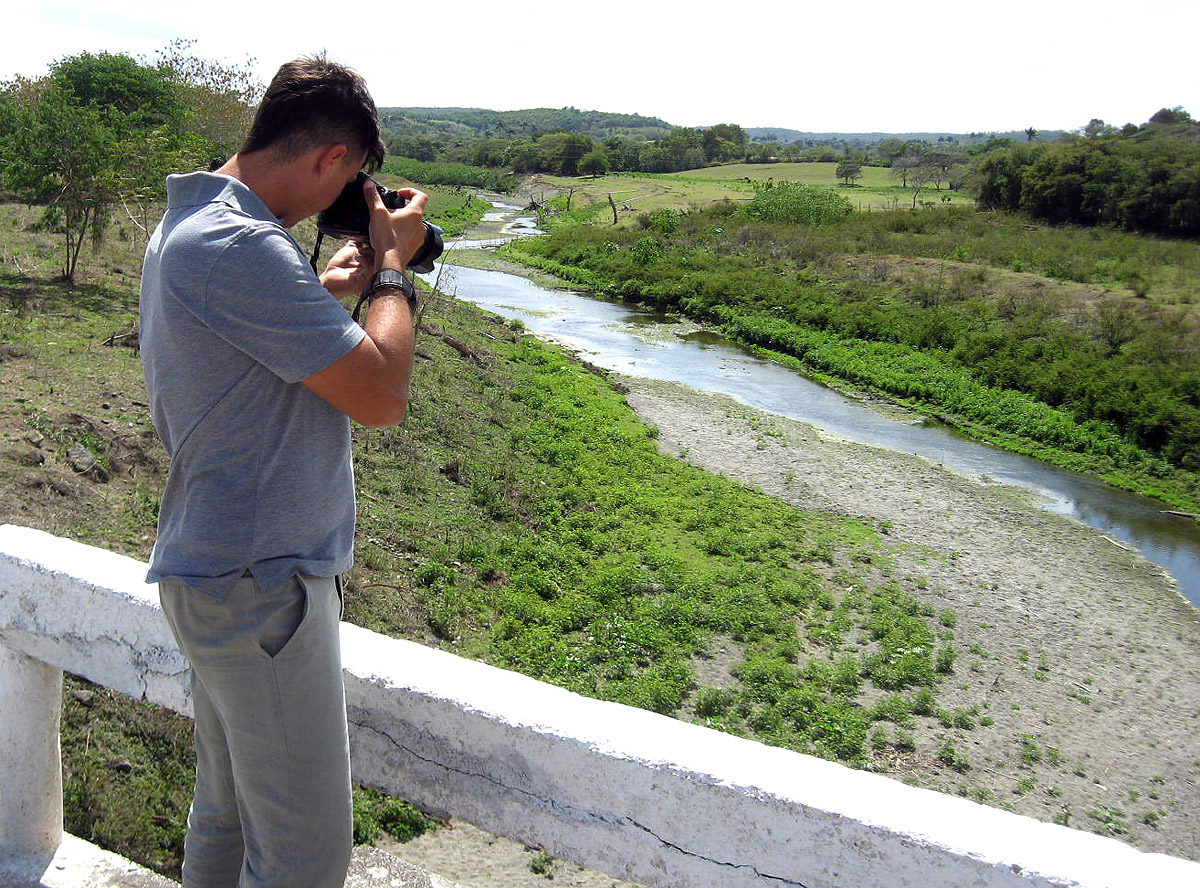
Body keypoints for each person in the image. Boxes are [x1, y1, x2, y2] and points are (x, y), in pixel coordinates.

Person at [139, 56, 427, 888]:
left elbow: (246, 363)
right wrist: (393, 272)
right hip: (261, 584)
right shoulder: (236, 241)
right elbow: (378, 395)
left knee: (228, 819)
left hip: (222, 572)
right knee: (303, 856)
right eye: (355, 179)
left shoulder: (196, 219)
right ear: (333, 158)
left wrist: (313, 289)